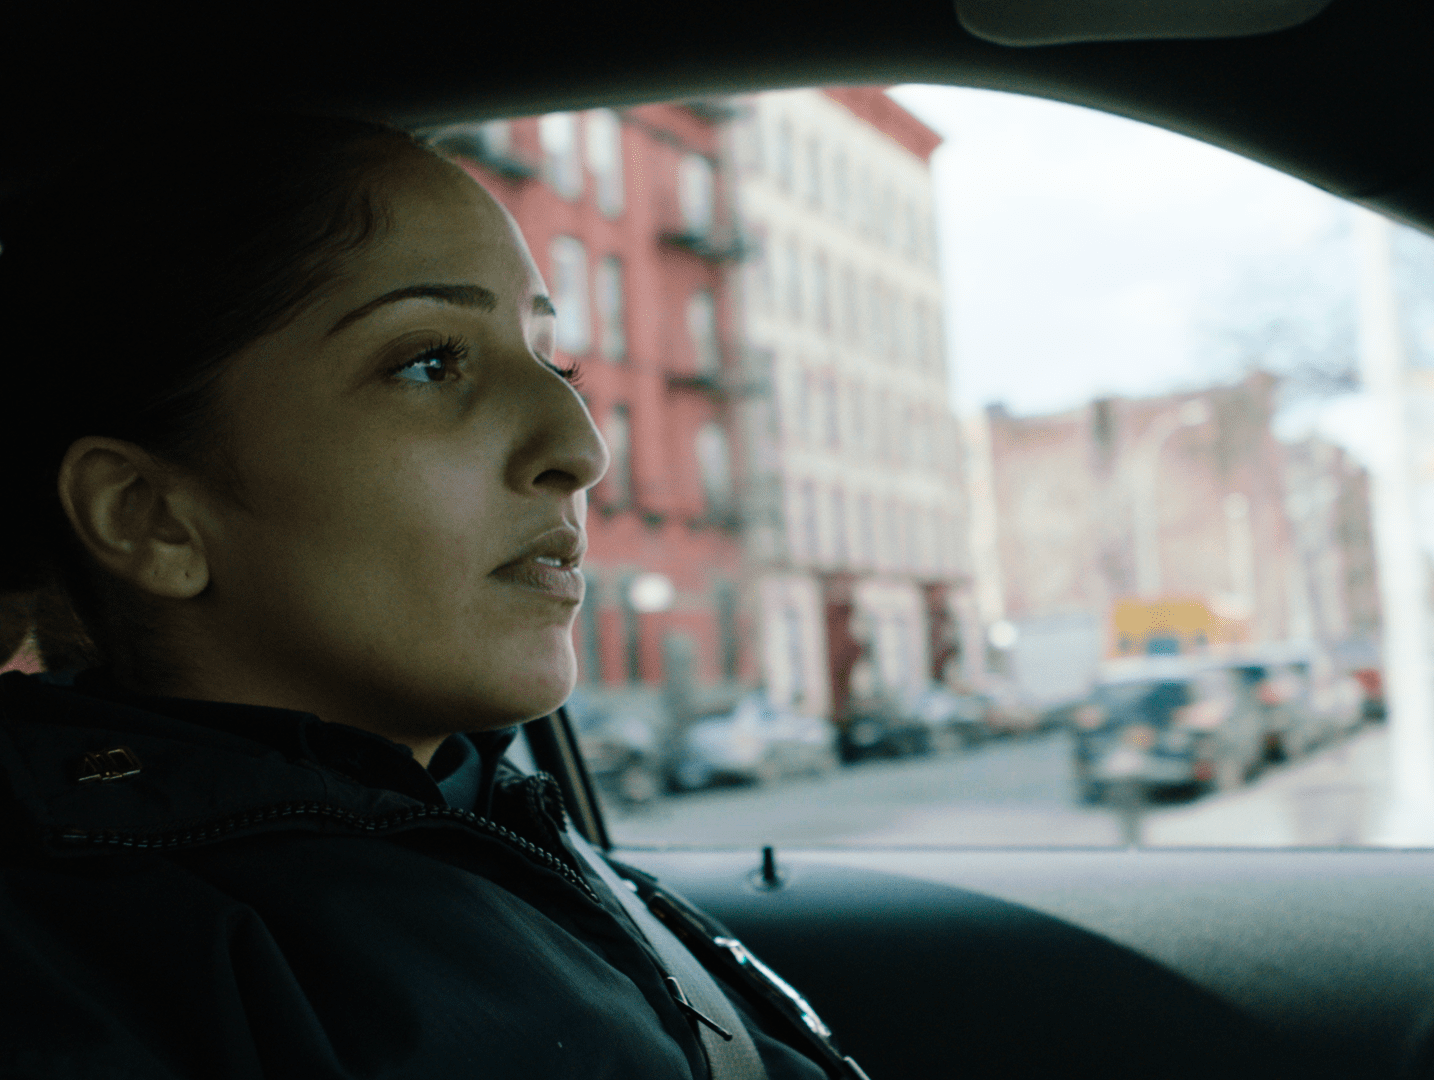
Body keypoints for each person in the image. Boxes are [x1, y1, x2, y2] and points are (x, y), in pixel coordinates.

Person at [0, 116, 862, 1079]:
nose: (580, 449)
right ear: (151, 517)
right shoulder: (87, 985)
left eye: (552, 360)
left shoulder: (476, 817)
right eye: (429, 362)